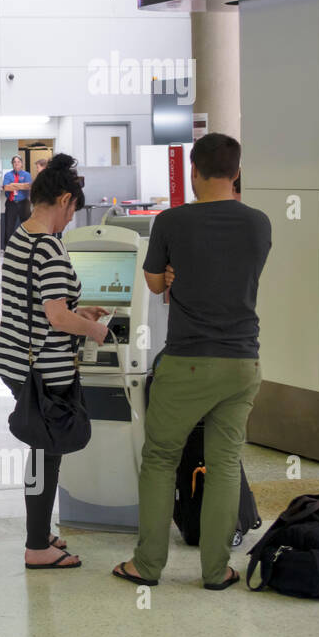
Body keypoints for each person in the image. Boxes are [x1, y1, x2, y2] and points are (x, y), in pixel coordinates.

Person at [114, 134, 272, 591]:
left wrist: (168, 276)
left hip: (188, 362)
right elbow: (240, 273)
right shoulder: (258, 224)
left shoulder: (171, 221)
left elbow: (155, 285)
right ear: (237, 173)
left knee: (162, 458)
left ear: (193, 172)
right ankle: (215, 570)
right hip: (243, 361)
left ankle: (148, 565)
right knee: (224, 461)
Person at [0, 155, 110, 570]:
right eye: (72, 210)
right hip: (46, 368)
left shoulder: (20, 237)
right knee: (47, 453)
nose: (70, 220)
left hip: (16, 358)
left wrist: (82, 311)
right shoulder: (52, 249)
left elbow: (36, 303)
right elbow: (56, 317)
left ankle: (40, 533)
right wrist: (93, 329)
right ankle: (36, 547)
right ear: (64, 199)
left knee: (41, 449)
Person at [1, 156, 32, 247]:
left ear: (21, 163)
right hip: (11, 203)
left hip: (24, 203)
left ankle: (28, 247)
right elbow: (6, 187)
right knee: (9, 226)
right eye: (14, 162)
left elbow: (27, 186)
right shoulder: (8, 175)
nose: (16, 163)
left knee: (27, 226)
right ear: (12, 164)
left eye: (18, 162)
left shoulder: (26, 174)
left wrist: (13, 185)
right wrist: (20, 185)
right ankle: (8, 248)